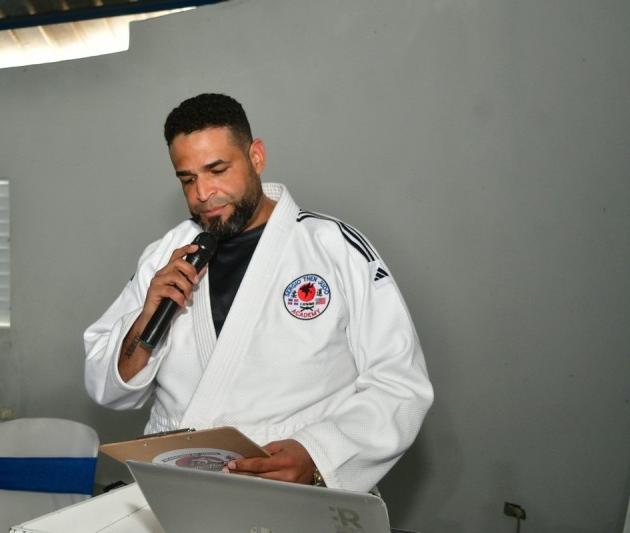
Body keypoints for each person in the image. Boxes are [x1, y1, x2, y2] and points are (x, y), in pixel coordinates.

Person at [84, 93, 433, 493]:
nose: (202, 193)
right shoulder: (164, 256)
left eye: (217, 170)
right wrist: (145, 317)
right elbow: (106, 388)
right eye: (187, 179)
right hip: (180, 488)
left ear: (256, 157)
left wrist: (318, 454)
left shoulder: (333, 247)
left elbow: (400, 384)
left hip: (296, 489)